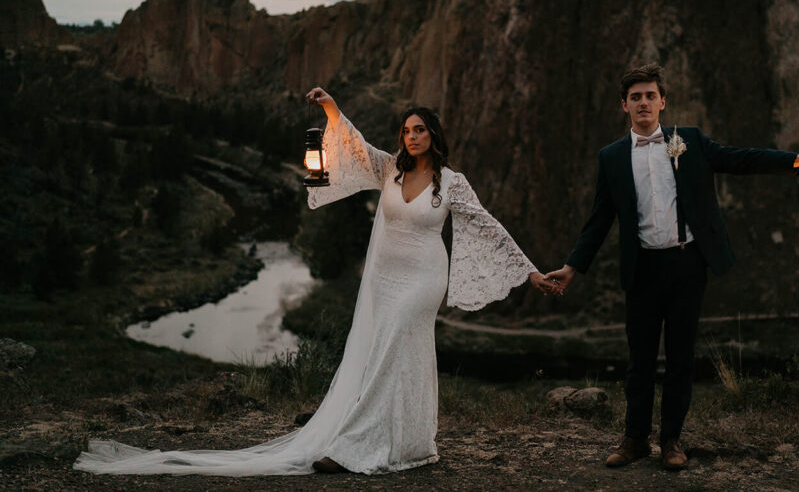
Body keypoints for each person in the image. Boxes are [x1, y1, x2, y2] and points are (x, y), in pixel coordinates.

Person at [74, 89, 558, 476]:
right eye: (406, 130)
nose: (411, 137)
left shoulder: (453, 182)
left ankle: (354, 446)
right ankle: (411, 444)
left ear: (434, 135)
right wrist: (330, 109)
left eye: (420, 130)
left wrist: (529, 270)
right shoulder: (388, 168)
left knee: (395, 345)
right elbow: (352, 146)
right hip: (385, 277)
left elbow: (486, 225)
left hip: (424, 278)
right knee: (390, 352)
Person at [545, 63, 799, 471]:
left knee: (680, 358)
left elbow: (739, 159)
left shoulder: (690, 141)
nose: (643, 102)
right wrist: (573, 267)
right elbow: (599, 219)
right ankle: (634, 439)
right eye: (635, 97)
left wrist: (798, 160)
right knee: (640, 359)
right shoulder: (611, 157)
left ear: (663, 101)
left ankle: (672, 440)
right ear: (624, 105)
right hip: (641, 269)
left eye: (650, 95)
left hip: (687, 265)